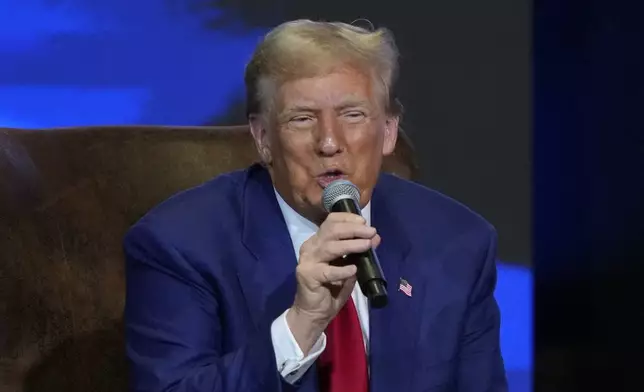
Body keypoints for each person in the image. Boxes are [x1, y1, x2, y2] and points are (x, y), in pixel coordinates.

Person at [124, 19, 507, 392]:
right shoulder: (179, 245)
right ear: (262, 138)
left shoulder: (459, 242)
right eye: (302, 119)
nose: (329, 142)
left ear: (389, 131)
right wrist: (301, 325)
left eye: (352, 115)